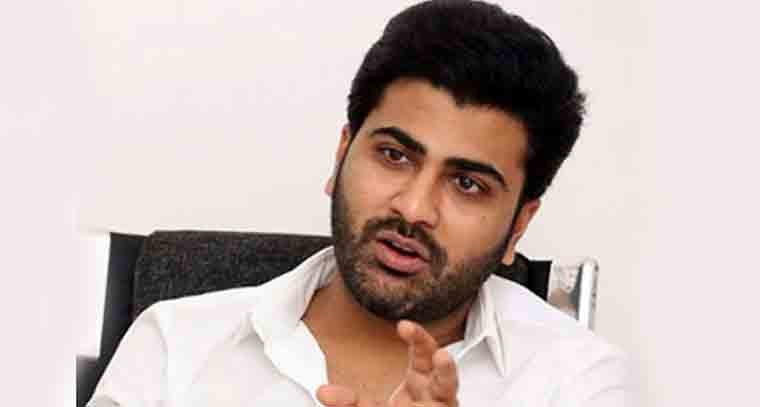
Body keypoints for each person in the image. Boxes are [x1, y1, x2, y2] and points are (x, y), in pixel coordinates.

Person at [88, 1, 630, 406]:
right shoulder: (176, 346)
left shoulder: (575, 383)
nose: (413, 208)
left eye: (467, 184)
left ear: (518, 227)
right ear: (341, 155)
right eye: (394, 155)